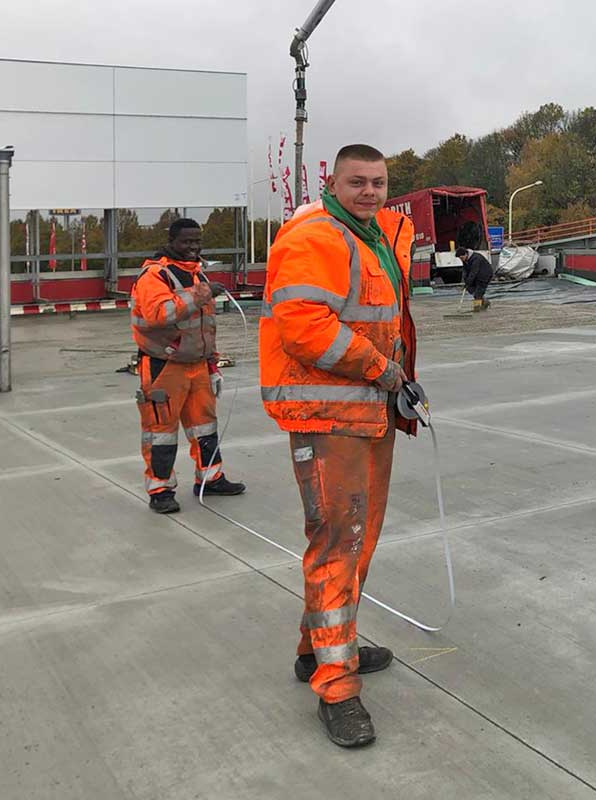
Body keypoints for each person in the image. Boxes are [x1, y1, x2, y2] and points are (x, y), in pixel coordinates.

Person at [260, 144, 417, 749]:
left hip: (369, 415)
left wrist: (397, 377)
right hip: (330, 417)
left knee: (355, 543)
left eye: (379, 182)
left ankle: (319, 649)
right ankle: (336, 686)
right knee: (336, 544)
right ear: (334, 181)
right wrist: (380, 368)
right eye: (358, 182)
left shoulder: (373, 234)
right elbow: (304, 327)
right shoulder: (317, 236)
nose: (371, 192)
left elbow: (384, 315)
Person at [130, 218, 245, 514]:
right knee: (161, 432)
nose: (193, 247)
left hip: (197, 365)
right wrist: (201, 294)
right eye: (186, 242)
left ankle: (210, 478)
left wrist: (213, 363)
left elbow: (205, 326)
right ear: (171, 241)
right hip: (163, 366)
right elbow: (159, 313)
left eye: (197, 241)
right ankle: (160, 489)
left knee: (205, 426)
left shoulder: (197, 275)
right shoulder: (155, 275)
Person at [455, 247, 493, 311]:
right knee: (470, 288)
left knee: (478, 292)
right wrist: (465, 281)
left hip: (484, 275)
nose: (461, 260)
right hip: (476, 275)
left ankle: (477, 308)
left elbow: (473, 272)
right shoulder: (465, 260)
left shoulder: (476, 258)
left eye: (462, 258)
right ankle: (485, 302)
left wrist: (468, 282)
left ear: (466, 254)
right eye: (460, 258)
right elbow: (465, 271)